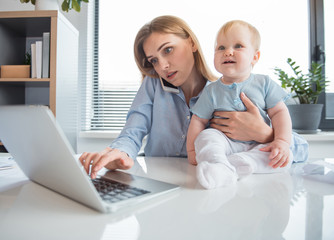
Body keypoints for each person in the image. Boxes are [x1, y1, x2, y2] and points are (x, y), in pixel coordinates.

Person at [79, 16, 306, 180]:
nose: (163, 66)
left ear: (192, 43)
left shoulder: (225, 91)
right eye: (154, 60)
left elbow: (301, 148)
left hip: (206, 189)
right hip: (161, 185)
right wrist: (120, 152)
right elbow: (132, 132)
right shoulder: (152, 86)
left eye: (167, 50)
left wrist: (265, 135)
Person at [186, 20, 293, 189]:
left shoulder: (264, 83)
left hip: (259, 146)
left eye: (238, 46)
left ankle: (240, 164)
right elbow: (198, 121)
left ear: (255, 57)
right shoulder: (212, 90)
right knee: (207, 137)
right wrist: (192, 152)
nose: (228, 52)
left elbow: (280, 112)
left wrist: (282, 141)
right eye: (221, 48)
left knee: (284, 158)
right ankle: (218, 164)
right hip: (225, 144)